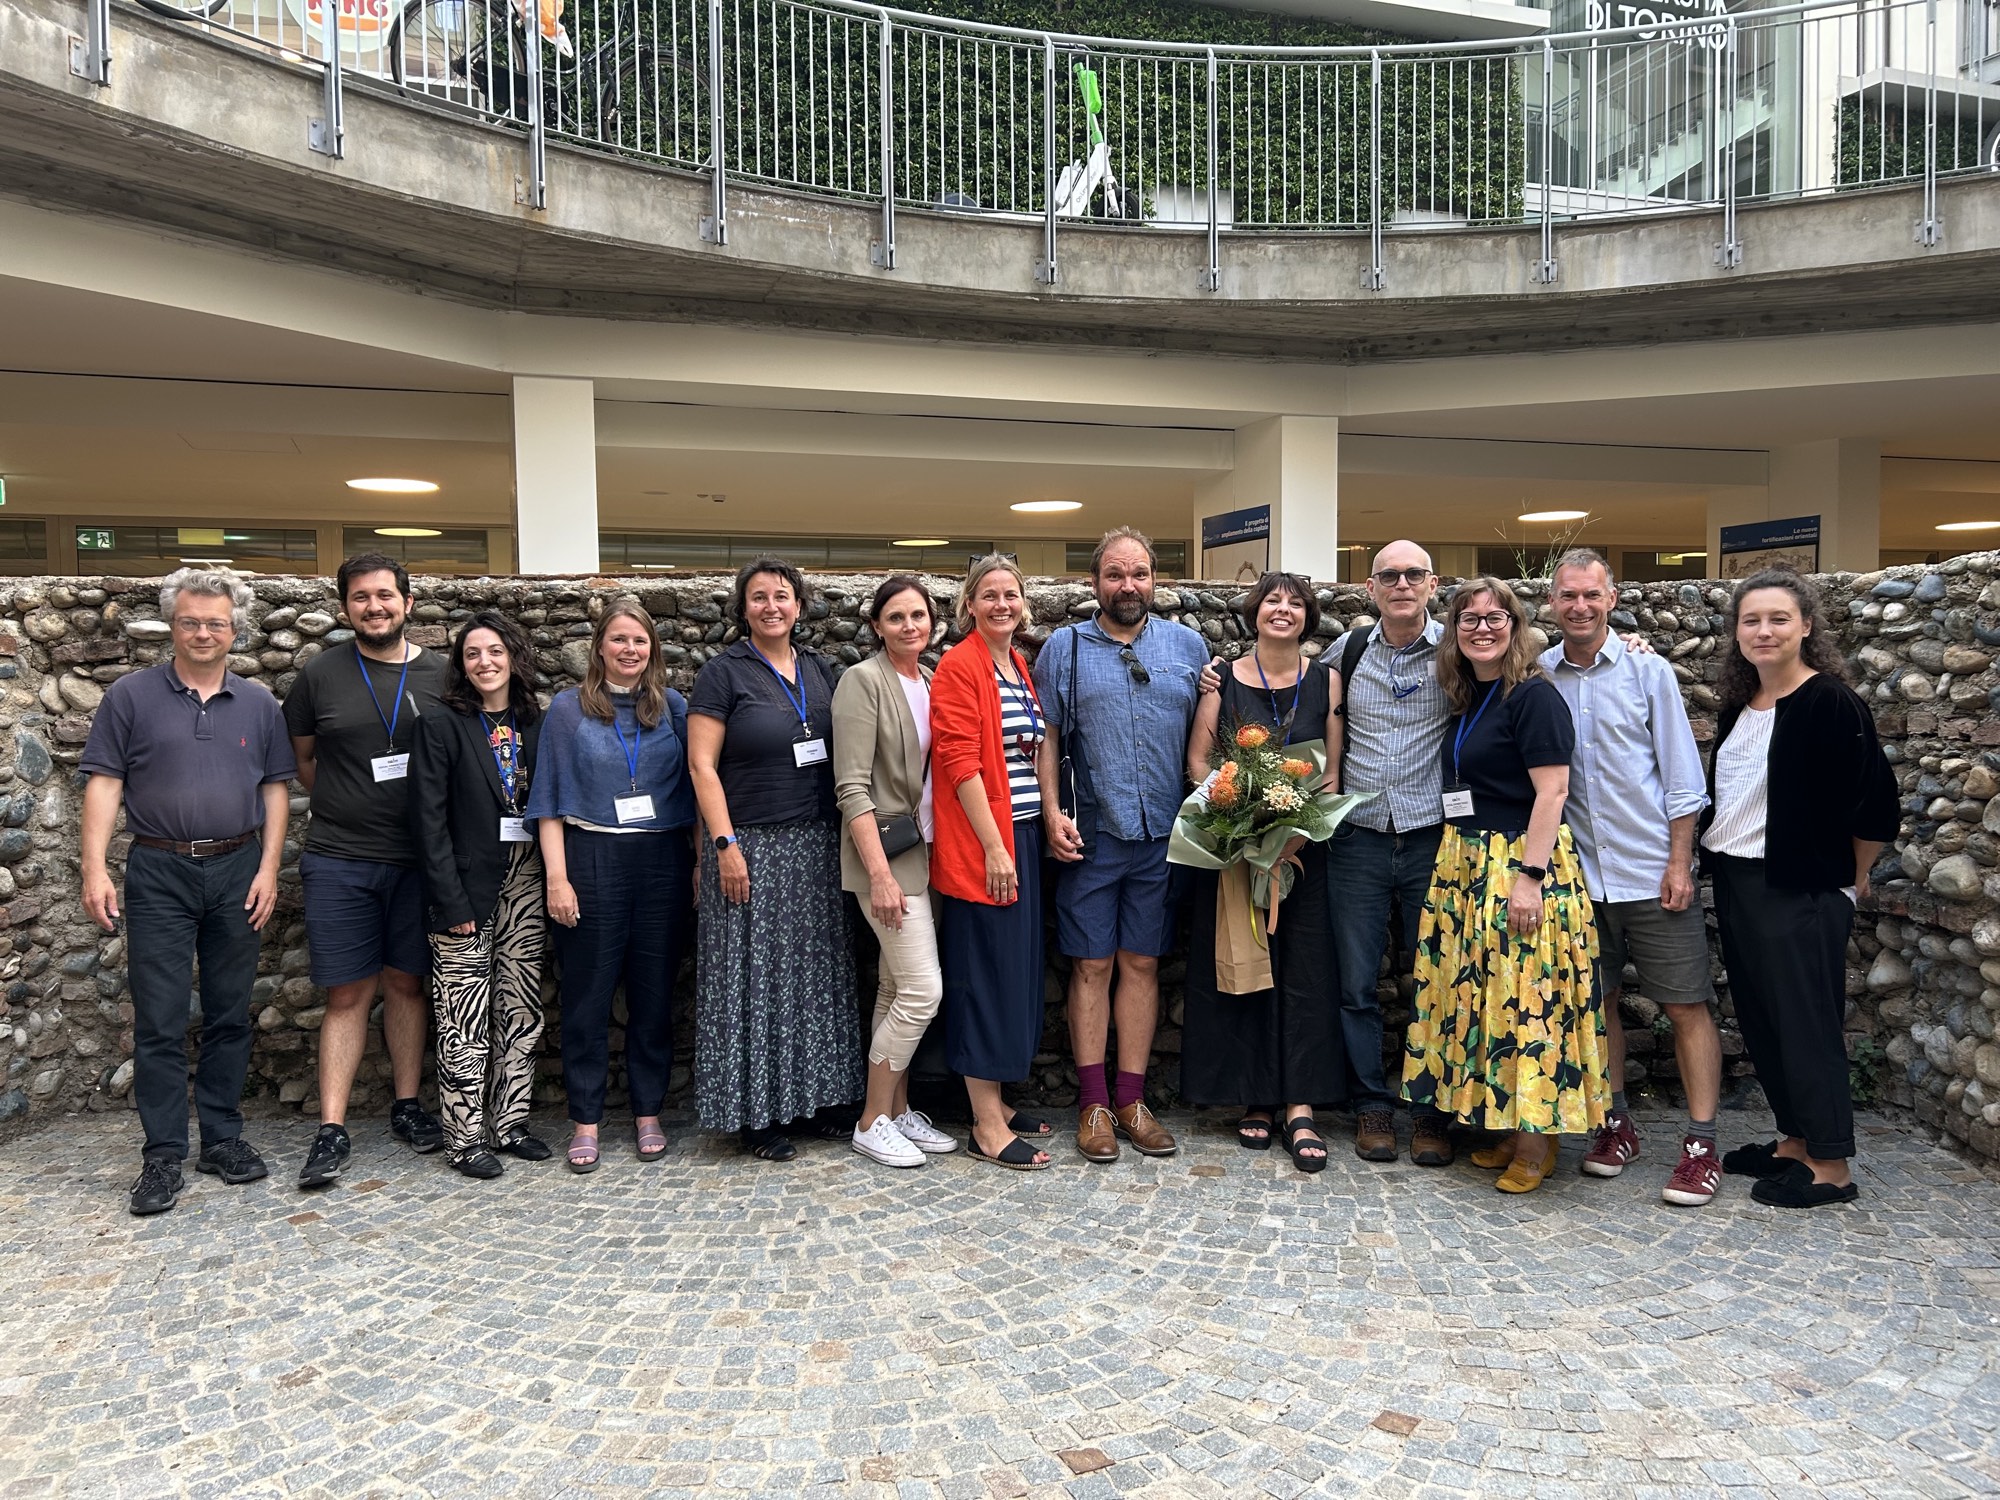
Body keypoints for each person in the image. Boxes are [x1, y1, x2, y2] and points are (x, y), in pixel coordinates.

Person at [80, 568, 295, 1216]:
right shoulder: (130, 696)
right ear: (171, 626)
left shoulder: (259, 704)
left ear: (236, 630)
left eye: (216, 623)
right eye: (191, 621)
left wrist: (269, 868)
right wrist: (94, 869)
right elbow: (104, 783)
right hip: (159, 870)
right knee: (161, 1017)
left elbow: (275, 790)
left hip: (238, 868)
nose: (203, 632)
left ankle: (222, 1138)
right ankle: (163, 1154)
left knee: (230, 1011)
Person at [1401, 577, 1608, 1194]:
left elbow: (1553, 791)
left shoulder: (1533, 696)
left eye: (1495, 618)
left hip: (1518, 861)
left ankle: (1538, 1143)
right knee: (1492, 1000)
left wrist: (1530, 880)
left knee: (1526, 999)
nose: (1482, 629)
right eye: (1469, 619)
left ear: (1516, 627)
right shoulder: (1471, 695)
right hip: (1467, 861)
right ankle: (1516, 1131)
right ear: (1453, 631)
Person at [1701, 568, 1897, 1208]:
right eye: (1751, 620)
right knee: (1763, 1018)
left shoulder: (1830, 702)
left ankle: (1831, 1164)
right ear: (1737, 632)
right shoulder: (1741, 705)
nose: (1764, 631)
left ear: (1806, 626)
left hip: (1802, 889)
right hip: (1739, 878)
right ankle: (1795, 1140)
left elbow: (1875, 804)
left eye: (1778, 619)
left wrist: (1851, 879)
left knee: (1806, 1023)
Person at [1542, 549, 1724, 1207]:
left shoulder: (1648, 671)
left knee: (1686, 1005)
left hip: (1651, 873)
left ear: (1612, 599)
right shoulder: (1540, 676)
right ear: (1552, 603)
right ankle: (1615, 1124)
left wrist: (1679, 862)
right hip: (1580, 879)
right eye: (1568, 596)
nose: (1580, 606)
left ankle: (1701, 1146)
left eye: (1591, 595)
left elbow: (1682, 777)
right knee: (1599, 1004)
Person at [1032, 526, 1211, 1164]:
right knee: (1090, 966)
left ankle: (1133, 1102)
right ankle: (1093, 1105)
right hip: (1093, 833)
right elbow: (1047, 737)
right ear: (1094, 583)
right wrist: (1050, 813)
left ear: (1155, 580)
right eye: (1114, 574)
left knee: (1142, 964)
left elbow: (1207, 735)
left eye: (1138, 573)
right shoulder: (1064, 649)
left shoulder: (1188, 647)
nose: (1127, 585)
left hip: (1164, 836)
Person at [688, 557, 864, 1160]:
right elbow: (701, 766)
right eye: (759, 597)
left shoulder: (820, 669)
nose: (771, 606)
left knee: (815, 977)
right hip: (750, 847)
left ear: (799, 606)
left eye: (782, 596)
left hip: (817, 844)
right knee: (752, 981)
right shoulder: (723, 673)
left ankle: (816, 1102)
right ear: (743, 609)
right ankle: (755, 1114)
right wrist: (724, 846)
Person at [284, 553, 448, 1189]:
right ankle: (332, 1127)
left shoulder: (442, 674)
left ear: (408, 603)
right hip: (340, 859)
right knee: (347, 993)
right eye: (360, 598)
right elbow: (304, 762)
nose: (374, 607)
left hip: (419, 861)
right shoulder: (319, 675)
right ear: (345, 607)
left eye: (385, 595)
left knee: (408, 983)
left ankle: (407, 1106)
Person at [1181, 573, 1346, 1174]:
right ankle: (1255, 1096)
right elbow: (1199, 761)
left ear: (1308, 617)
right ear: (1254, 612)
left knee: (1304, 973)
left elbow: (1332, 771)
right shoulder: (1222, 678)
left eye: (1295, 603)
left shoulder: (1328, 680)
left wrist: (1294, 831)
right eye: (1273, 600)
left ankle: (1300, 1103)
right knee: (1246, 968)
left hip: (1303, 852)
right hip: (1237, 853)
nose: (1283, 610)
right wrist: (1243, 820)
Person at [525, 599, 696, 1172]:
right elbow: (548, 800)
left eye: (640, 641)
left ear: (653, 650)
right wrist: (557, 879)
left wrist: (700, 863)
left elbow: (698, 788)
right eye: (619, 639)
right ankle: (585, 1119)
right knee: (587, 997)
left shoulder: (671, 707)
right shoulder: (568, 709)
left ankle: (648, 1111)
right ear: (599, 646)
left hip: (662, 859)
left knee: (654, 995)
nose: (630, 649)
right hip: (591, 858)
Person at [1324, 541, 1458, 1165]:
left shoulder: (1459, 649)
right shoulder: (1347, 652)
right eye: (1389, 576)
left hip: (1433, 837)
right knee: (1356, 983)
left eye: (1413, 574)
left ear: (1432, 583)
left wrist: (1634, 645)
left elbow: (1523, 672)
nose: (1402, 584)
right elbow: (1285, 685)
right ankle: (1370, 1105)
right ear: (1371, 587)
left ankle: (1431, 1111)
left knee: (1434, 981)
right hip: (1358, 839)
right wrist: (1214, 675)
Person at [409, 611, 549, 1180]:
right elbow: (428, 820)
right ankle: (464, 1139)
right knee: (462, 1018)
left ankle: (509, 1124)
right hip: (464, 888)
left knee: (520, 1008)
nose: (485, 662)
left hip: (527, 880)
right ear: (460, 665)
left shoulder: (536, 721)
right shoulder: (440, 723)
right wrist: (450, 901)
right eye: (472, 654)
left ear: (514, 656)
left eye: (495, 651)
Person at [832, 576, 961, 1168]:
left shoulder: (930, 680)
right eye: (896, 617)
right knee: (922, 990)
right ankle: (870, 1120)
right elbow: (851, 787)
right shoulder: (863, 681)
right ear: (876, 626)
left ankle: (897, 1111)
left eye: (918, 615)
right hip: (888, 860)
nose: (910, 626)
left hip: (930, 854)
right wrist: (880, 874)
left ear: (933, 621)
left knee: (894, 987)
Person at [933, 555, 1056, 1170]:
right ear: (969, 606)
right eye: (989, 595)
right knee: (984, 976)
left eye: (1011, 594)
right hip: (986, 846)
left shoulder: (1016, 664)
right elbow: (960, 763)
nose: (1001, 604)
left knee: (1014, 975)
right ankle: (984, 1123)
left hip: (1022, 835)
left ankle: (999, 1103)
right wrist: (993, 847)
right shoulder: (960, 665)